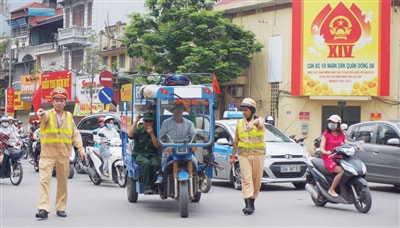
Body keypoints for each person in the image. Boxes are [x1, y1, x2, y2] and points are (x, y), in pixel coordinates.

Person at [35, 87, 86, 219]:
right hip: (47, 154)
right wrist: (40, 113)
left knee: (63, 183)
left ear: (65, 102)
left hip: (63, 154)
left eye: (61, 100)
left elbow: (75, 134)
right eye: (56, 100)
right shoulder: (47, 114)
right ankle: (43, 208)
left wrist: (80, 148)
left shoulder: (69, 117)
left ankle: (61, 207)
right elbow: (43, 116)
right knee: (44, 181)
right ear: (52, 102)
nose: (59, 102)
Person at [229, 98, 265, 215]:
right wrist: (233, 156)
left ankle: (252, 202)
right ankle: (248, 204)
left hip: (258, 155)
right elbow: (236, 140)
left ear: (252, 110)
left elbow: (260, 123)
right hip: (244, 155)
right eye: (243, 110)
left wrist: (252, 124)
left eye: (246, 110)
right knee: (246, 179)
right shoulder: (239, 123)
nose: (244, 112)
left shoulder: (259, 120)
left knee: (256, 180)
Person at [128, 112, 159, 194]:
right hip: (139, 154)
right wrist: (136, 121)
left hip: (152, 154)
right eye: (146, 121)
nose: (148, 123)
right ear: (143, 121)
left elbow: (156, 146)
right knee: (146, 163)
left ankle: (153, 185)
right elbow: (130, 135)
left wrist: (151, 134)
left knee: (155, 164)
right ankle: (147, 187)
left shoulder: (155, 130)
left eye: (150, 121)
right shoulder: (139, 129)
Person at [319, 114, 348, 198]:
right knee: (341, 171)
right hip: (329, 158)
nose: (331, 124)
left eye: (334, 122)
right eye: (330, 122)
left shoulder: (342, 134)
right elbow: (321, 148)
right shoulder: (326, 134)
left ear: (338, 124)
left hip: (340, 157)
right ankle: (331, 189)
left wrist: (356, 146)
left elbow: (347, 143)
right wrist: (326, 152)